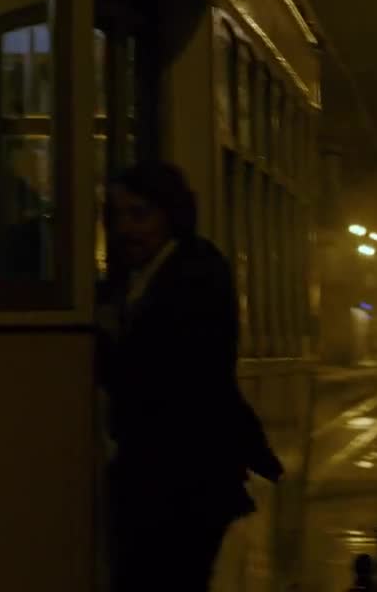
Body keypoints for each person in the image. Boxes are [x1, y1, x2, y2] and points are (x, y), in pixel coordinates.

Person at [97, 162, 283, 591]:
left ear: (170, 215)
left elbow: (174, 372)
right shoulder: (137, 276)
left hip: (181, 479)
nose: (126, 228)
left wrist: (110, 344)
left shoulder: (196, 274)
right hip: (165, 477)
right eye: (118, 215)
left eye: (139, 214)